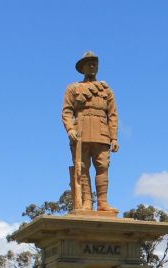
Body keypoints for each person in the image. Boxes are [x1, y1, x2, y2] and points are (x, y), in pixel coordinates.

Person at [62, 51, 119, 213]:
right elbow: (66, 112)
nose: (92, 65)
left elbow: (113, 115)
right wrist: (70, 129)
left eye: (95, 63)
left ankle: (103, 202)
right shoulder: (73, 88)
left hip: (102, 133)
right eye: (89, 63)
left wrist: (114, 138)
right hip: (81, 132)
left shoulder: (107, 90)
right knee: (82, 167)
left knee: (102, 167)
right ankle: (87, 201)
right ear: (82, 68)